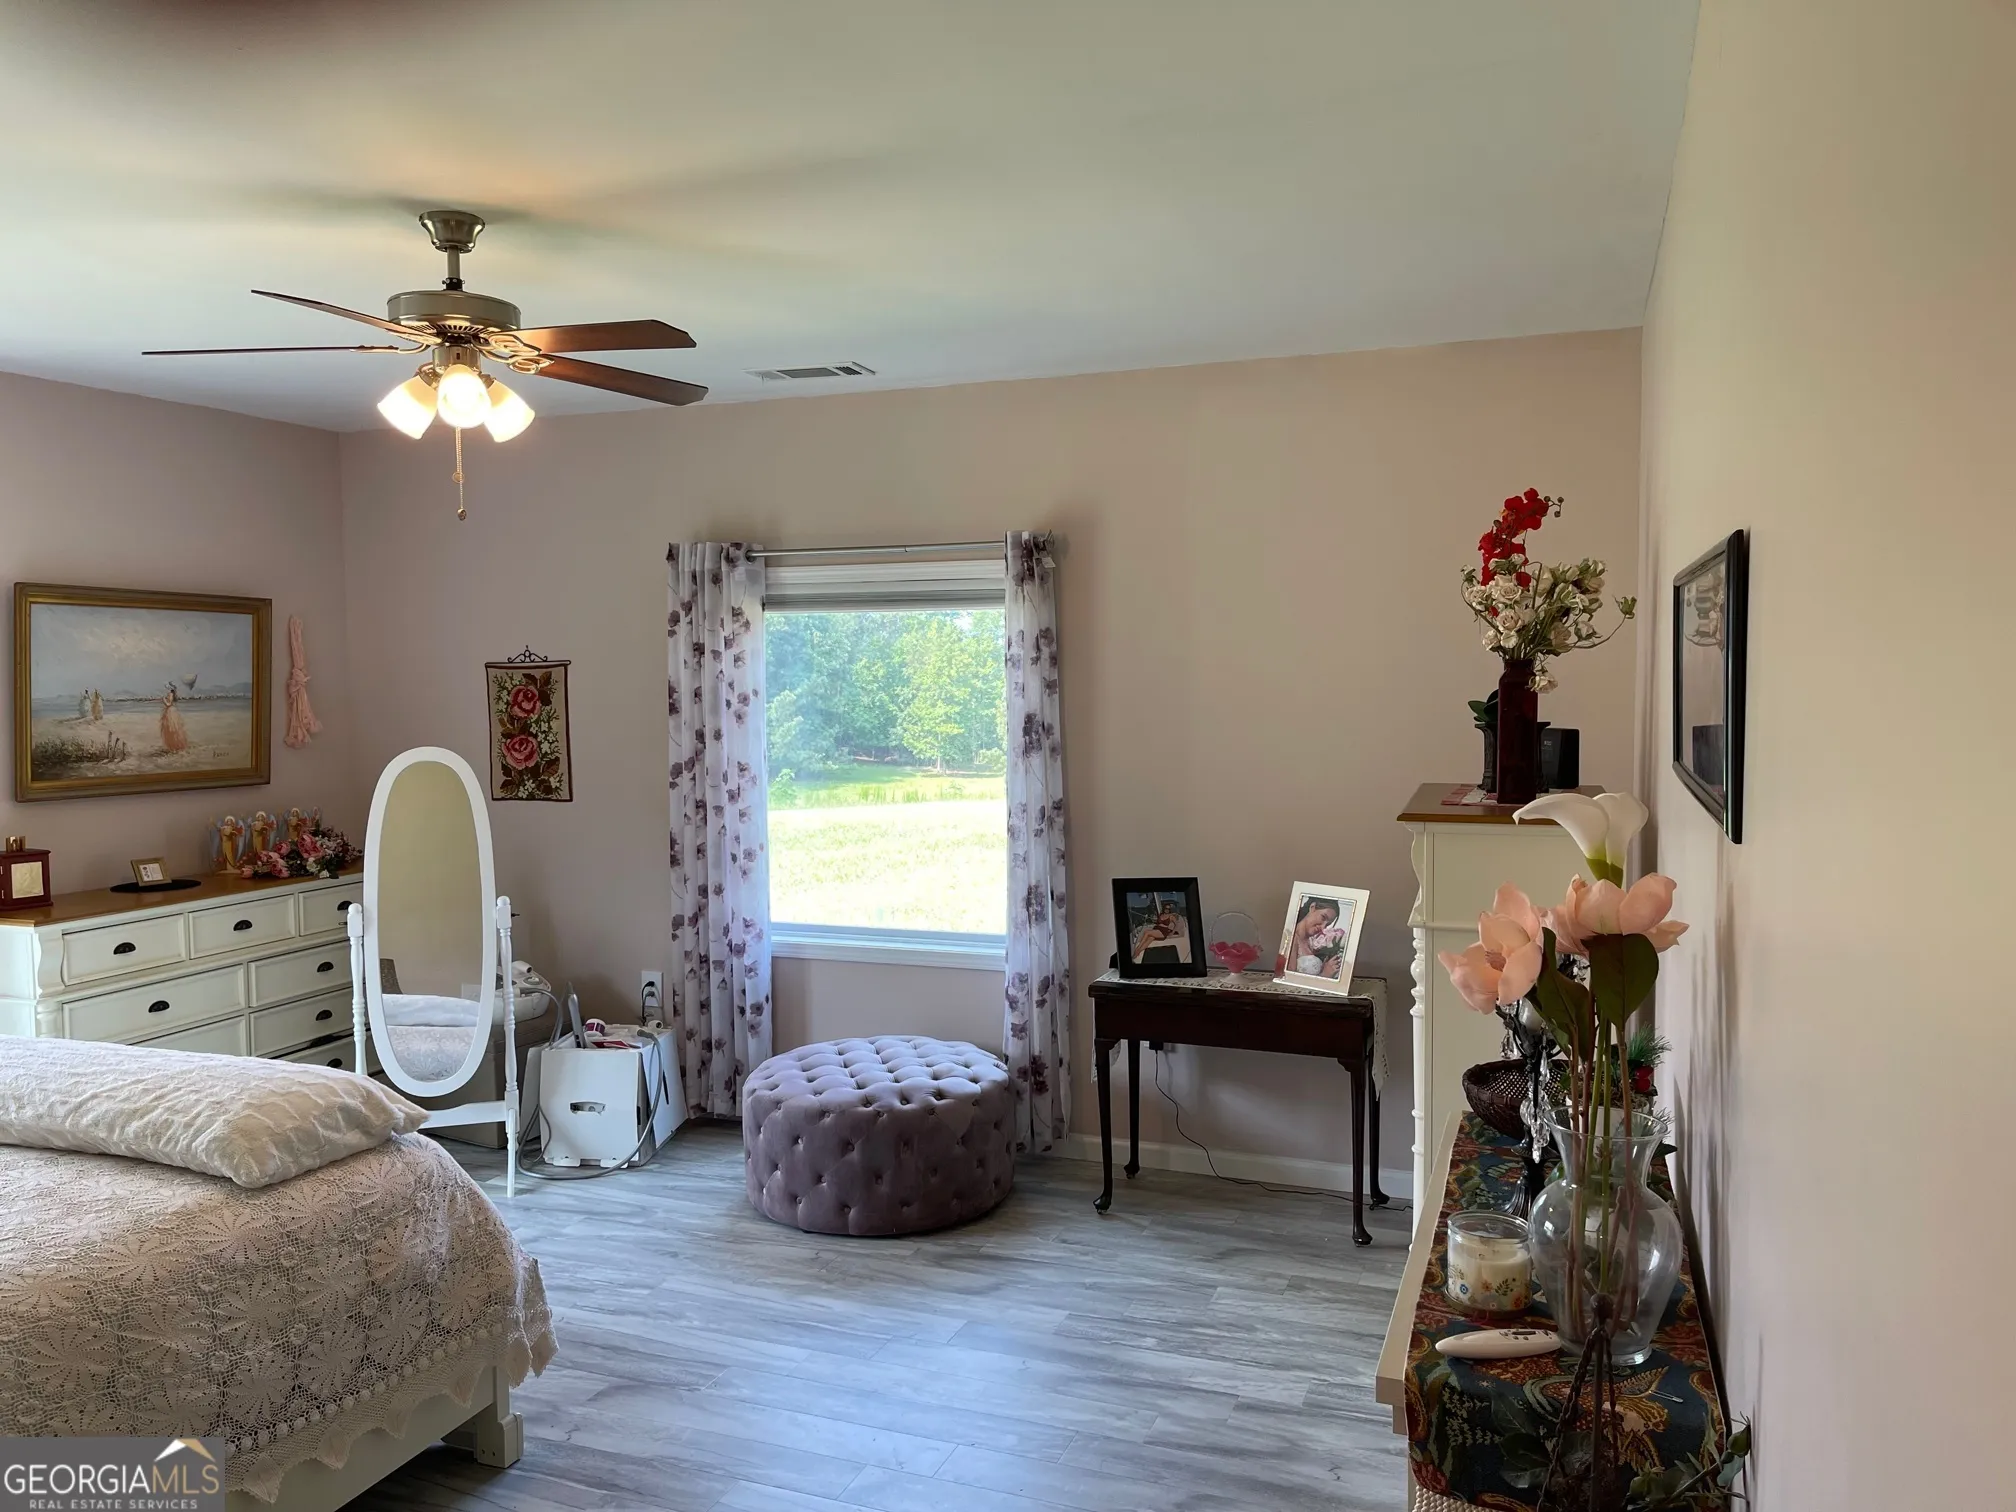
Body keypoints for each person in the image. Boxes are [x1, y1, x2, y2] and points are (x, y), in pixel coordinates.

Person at [1284, 896, 1350, 976]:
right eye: (1323, 917)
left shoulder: (1312, 941)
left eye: (1327, 924)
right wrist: (1324, 975)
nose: (1323, 927)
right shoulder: (1290, 938)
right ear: (1312, 907)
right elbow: (1289, 978)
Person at [1131, 897, 1191, 967]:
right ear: (1164, 908)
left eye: (1168, 909)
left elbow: (1176, 925)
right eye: (1166, 908)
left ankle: (1137, 949)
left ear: (1170, 910)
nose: (1167, 910)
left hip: (1163, 931)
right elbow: (1158, 923)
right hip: (1157, 929)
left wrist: (1172, 932)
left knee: (1147, 932)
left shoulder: (1171, 916)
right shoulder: (1161, 915)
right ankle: (1139, 951)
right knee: (1150, 939)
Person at [159, 684, 188, 753]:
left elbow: (168, 704)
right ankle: (175, 746)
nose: (166, 688)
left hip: (170, 713)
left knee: (171, 730)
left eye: (167, 686)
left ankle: (174, 747)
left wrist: (163, 700)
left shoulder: (170, 694)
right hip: (172, 711)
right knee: (174, 730)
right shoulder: (172, 694)